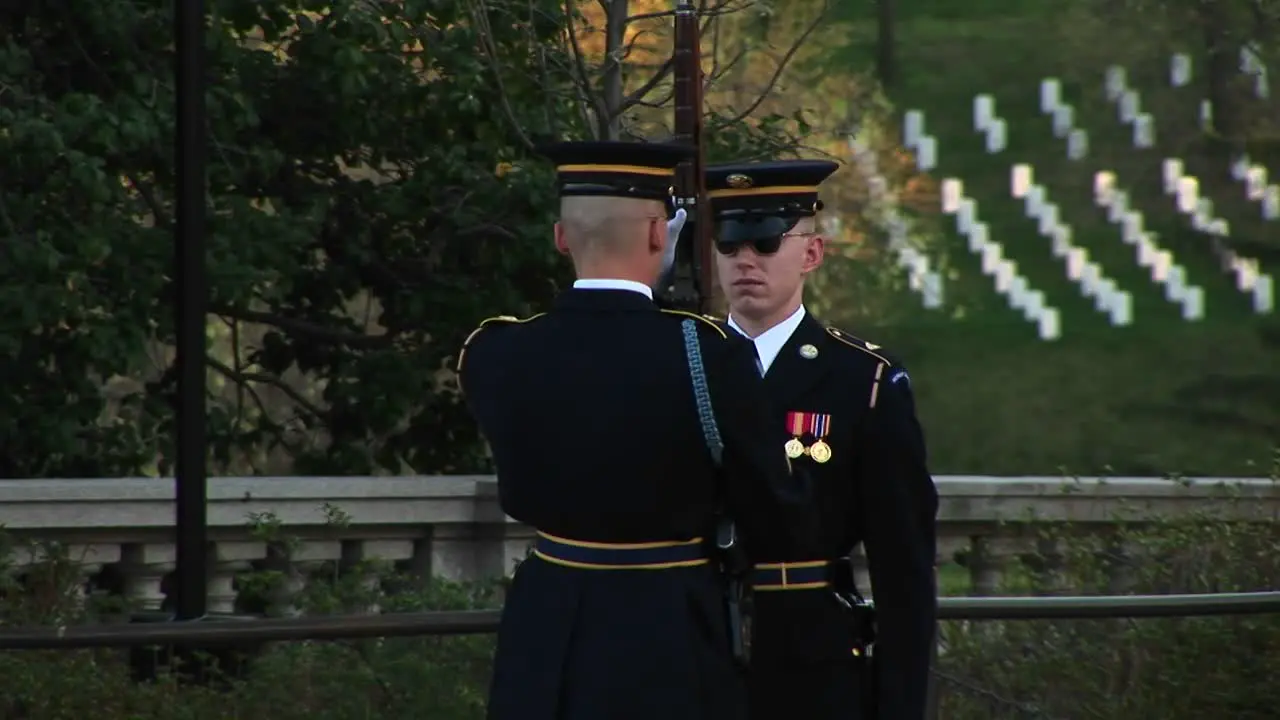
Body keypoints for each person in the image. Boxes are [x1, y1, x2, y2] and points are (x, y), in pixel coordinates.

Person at [457, 141, 818, 720]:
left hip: (547, 623)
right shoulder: (706, 351)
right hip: (669, 624)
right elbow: (776, 511)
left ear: (561, 238)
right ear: (660, 235)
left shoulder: (493, 350)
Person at [705, 160, 939, 720]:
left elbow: (902, 563)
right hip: (696, 642)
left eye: (765, 242)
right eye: (730, 243)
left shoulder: (860, 379)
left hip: (811, 650)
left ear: (811, 254)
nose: (745, 260)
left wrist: (900, 703)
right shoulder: (688, 364)